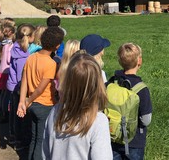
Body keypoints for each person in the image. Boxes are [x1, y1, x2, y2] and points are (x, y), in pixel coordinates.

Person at [42, 52, 113, 160]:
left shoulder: (55, 111)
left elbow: (45, 153)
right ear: (97, 84)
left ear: (67, 81)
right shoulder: (98, 121)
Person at [17, 26, 65, 160]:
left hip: (32, 105)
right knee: (41, 140)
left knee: (34, 138)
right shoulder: (51, 63)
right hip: (45, 105)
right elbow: (40, 88)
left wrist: (23, 101)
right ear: (57, 46)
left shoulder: (31, 57)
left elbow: (24, 81)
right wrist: (28, 100)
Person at [111, 43, 152, 160]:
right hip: (134, 141)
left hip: (113, 135)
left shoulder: (112, 82)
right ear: (139, 61)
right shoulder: (142, 89)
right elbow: (146, 120)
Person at [6, 23, 35, 151]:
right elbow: (21, 77)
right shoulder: (23, 56)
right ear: (29, 37)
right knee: (21, 116)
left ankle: (13, 135)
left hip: (12, 86)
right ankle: (20, 140)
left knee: (14, 114)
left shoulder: (16, 48)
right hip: (19, 88)